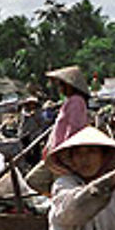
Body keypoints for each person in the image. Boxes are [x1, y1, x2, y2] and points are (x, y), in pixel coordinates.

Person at [26, 65, 90, 193]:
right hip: (54, 154)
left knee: (60, 186)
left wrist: (64, 153)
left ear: (69, 86)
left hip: (62, 156)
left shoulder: (76, 102)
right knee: (33, 180)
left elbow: (73, 129)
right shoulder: (69, 102)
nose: (60, 88)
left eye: (61, 85)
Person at [18, 96, 49, 166]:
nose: (32, 105)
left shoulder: (38, 112)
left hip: (35, 134)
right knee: (25, 151)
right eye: (30, 104)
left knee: (36, 150)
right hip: (25, 134)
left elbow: (42, 122)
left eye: (33, 104)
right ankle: (28, 163)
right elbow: (23, 123)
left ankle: (35, 163)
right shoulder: (24, 112)